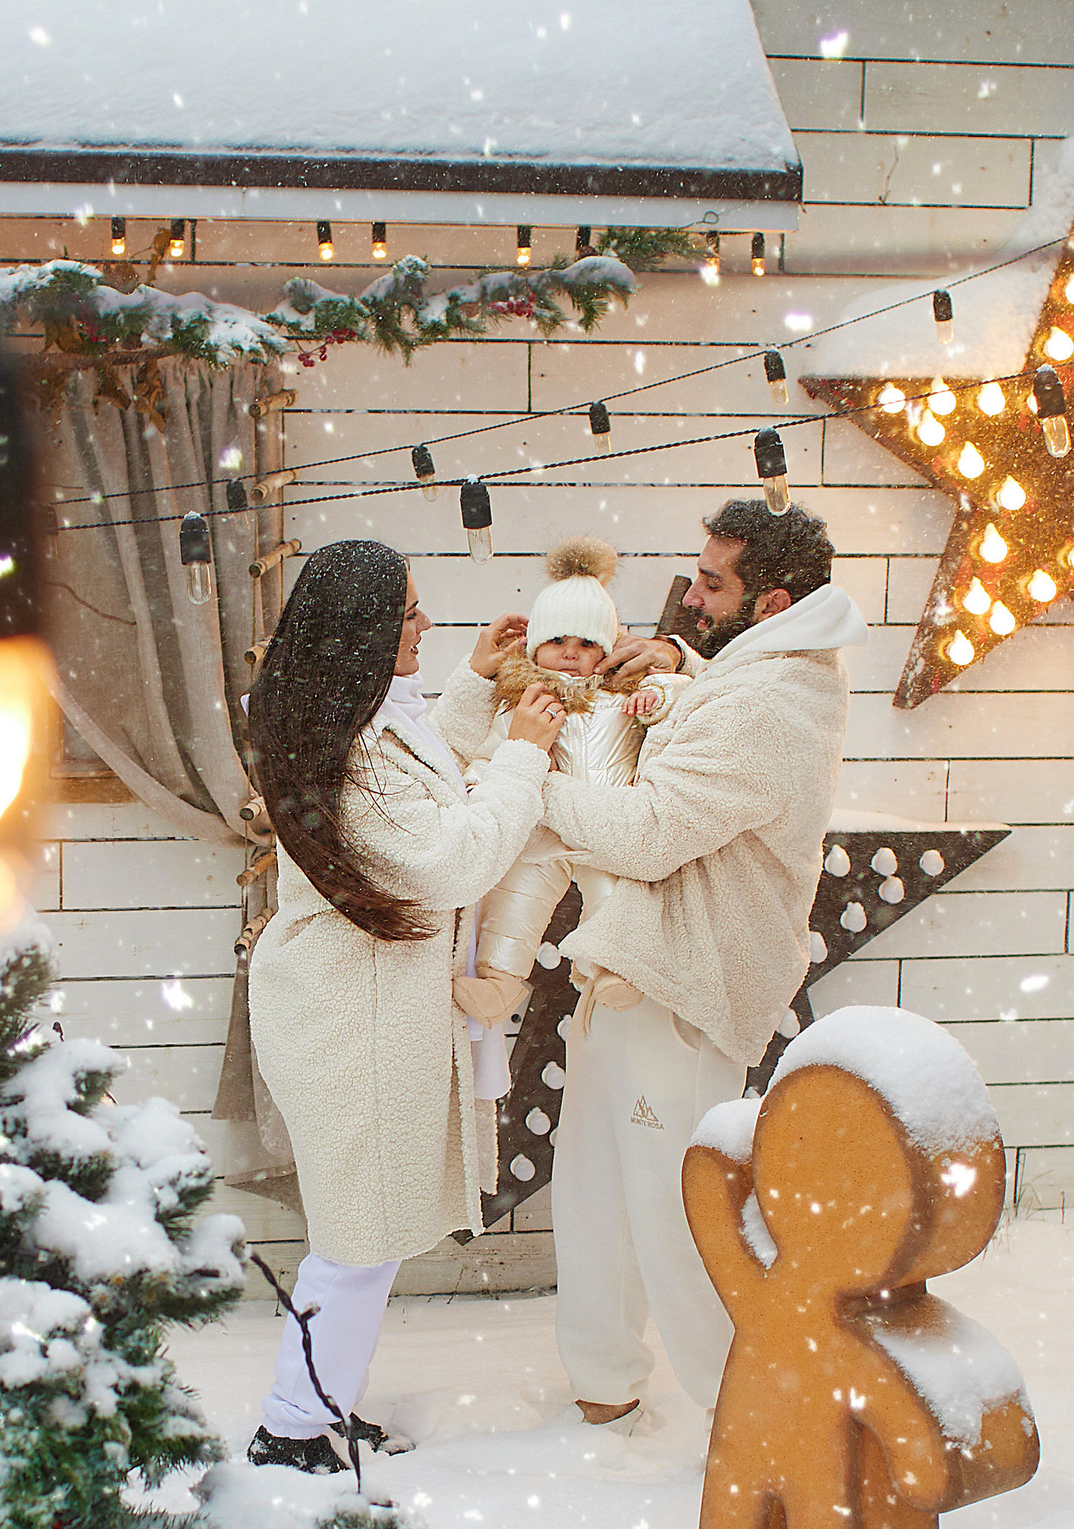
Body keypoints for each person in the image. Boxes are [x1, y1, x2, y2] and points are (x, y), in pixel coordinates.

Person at [435, 499, 864, 1428]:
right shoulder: (756, 671)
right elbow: (689, 708)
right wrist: (673, 663)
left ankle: (750, 1425)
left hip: (680, 981)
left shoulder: (773, 704)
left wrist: (530, 768)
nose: (689, 596)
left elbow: (651, 832)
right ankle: (605, 1385)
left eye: (713, 583)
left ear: (772, 600)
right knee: (594, 1193)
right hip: (623, 973)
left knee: (681, 1216)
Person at [243, 538, 566, 1472]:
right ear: (365, 635)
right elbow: (448, 857)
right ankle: (290, 1429)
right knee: (357, 1241)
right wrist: (525, 755)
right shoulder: (350, 751)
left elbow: (423, 768)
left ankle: (314, 1408)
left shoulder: (359, 717)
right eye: (411, 614)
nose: (427, 623)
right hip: (353, 1023)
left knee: (366, 1236)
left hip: (364, 1013)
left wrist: (470, 679)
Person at [451, 536, 688, 1026]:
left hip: (605, 823)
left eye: (586, 644)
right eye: (557, 641)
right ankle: (499, 982)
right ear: (535, 645)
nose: (569, 654)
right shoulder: (523, 701)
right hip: (541, 829)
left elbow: (682, 698)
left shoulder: (625, 694)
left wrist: (657, 697)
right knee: (516, 895)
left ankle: (611, 971)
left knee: (613, 895)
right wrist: (477, 784)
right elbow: (494, 750)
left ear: (607, 648)